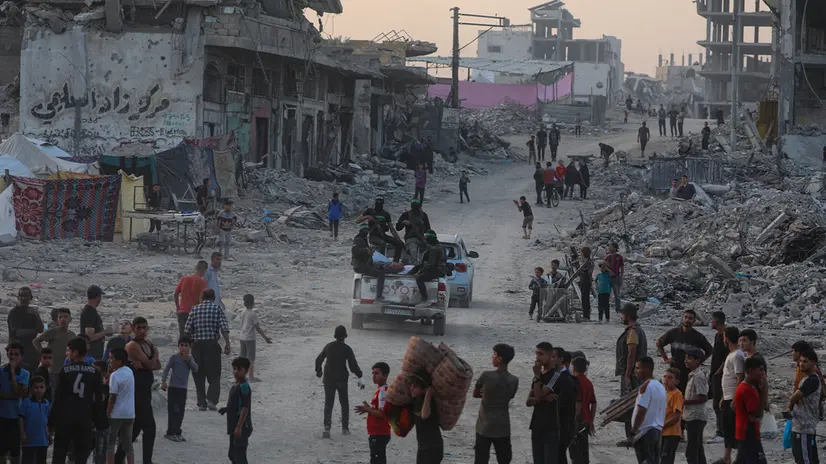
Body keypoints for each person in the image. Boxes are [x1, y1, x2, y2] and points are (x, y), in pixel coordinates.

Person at [50, 337, 104, 464]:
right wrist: (100, 422)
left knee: (59, 454)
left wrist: (51, 421)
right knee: (81, 456)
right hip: (85, 418)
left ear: (75, 352)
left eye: (68, 350)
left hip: (65, 418)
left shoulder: (64, 370)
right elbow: (98, 399)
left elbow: (58, 398)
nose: (66, 353)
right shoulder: (95, 372)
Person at [115, 317, 160, 464]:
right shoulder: (132, 345)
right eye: (138, 328)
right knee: (150, 428)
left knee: (134, 431)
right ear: (133, 329)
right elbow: (151, 364)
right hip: (136, 394)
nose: (142, 331)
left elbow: (157, 365)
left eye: (144, 328)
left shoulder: (148, 344)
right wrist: (154, 355)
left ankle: (117, 459)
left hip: (145, 392)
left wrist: (148, 363)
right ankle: (147, 461)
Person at [184, 289, 231, 411]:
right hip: (212, 346)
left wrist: (187, 347)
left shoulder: (195, 309)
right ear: (214, 298)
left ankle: (201, 402)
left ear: (202, 297)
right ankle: (212, 401)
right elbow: (224, 328)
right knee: (214, 375)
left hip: (197, 346)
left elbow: (187, 330)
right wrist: (227, 343)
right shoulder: (217, 309)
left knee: (198, 374)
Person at [315, 325, 364, 439]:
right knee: (344, 403)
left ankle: (327, 428)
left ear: (335, 336)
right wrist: (360, 376)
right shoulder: (347, 349)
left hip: (328, 379)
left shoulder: (329, 346)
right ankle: (345, 428)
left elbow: (319, 359)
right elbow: (353, 366)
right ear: (345, 336)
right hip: (341, 379)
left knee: (329, 403)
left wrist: (319, 370)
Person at [472, 344, 518, 464]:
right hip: (503, 427)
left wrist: (486, 394)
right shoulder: (514, 380)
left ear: (499, 358)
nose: (492, 357)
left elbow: (475, 394)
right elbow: (510, 396)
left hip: (484, 427)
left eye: (494, 354)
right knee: (504, 459)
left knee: (481, 459)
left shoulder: (486, 375)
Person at [656, 309, 713, 395]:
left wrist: (699, 362)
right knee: (672, 394)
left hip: (688, 372)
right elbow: (659, 343)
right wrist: (665, 358)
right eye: (685, 317)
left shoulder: (698, 336)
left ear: (694, 321)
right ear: (682, 319)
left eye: (690, 318)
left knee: (686, 394)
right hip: (675, 370)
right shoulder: (673, 333)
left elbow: (710, 350)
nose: (687, 320)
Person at [616, 304, 648, 445]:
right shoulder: (637, 330)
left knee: (629, 406)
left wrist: (627, 375)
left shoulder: (633, 332)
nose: (621, 317)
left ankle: (631, 437)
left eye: (622, 314)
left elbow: (631, 354)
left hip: (632, 375)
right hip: (637, 374)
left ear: (627, 316)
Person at [161, 336, 198, 443]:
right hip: (173, 388)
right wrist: (163, 381)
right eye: (182, 345)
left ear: (190, 347)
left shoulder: (190, 359)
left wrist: (188, 360)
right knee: (173, 410)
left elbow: (196, 369)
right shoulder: (174, 357)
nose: (184, 348)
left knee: (180, 411)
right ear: (178, 346)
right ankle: (170, 432)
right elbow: (166, 370)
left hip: (183, 388)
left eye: (186, 346)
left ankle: (177, 432)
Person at [630, 357, 666, 464]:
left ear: (645, 370)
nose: (635, 371)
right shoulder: (660, 386)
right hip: (657, 432)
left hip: (645, 433)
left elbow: (641, 411)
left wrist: (633, 431)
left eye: (638, 368)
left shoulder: (645, 387)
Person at [787, 350, 820, 464]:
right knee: (800, 457)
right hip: (800, 426)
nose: (801, 364)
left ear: (813, 363)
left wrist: (789, 405)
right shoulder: (806, 378)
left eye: (805, 361)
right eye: (800, 361)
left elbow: (794, 397)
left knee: (804, 459)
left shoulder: (812, 380)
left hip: (805, 427)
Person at [354, 362, 391, 464]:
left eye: (377, 373)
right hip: (377, 432)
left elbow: (383, 414)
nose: (374, 376)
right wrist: (369, 408)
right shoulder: (380, 390)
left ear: (385, 376)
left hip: (379, 432)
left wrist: (368, 410)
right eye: (373, 373)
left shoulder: (383, 391)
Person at [219, 357, 253, 464]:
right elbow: (236, 403)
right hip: (233, 425)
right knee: (233, 454)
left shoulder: (244, 386)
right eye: (234, 369)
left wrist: (239, 427)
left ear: (246, 371)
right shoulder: (236, 385)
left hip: (242, 426)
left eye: (239, 369)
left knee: (240, 456)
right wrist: (227, 409)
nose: (236, 372)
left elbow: (245, 407)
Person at [733, 357, 767, 464]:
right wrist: (764, 390)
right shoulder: (747, 390)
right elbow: (757, 413)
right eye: (760, 370)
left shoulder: (748, 387)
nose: (762, 373)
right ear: (750, 370)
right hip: (748, 432)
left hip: (744, 431)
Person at [1, 342, 31, 463]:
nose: (13, 357)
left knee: (15, 452)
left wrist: (13, 372)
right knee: (1, 451)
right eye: (11, 354)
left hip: (16, 416)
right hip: (2, 416)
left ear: (21, 356)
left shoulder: (25, 373)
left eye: (16, 354)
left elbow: (18, 393)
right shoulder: (1, 371)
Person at [720, 326, 745, 464]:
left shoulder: (737, 355)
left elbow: (739, 377)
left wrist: (735, 398)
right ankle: (727, 456)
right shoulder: (732, 354)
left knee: (735, 429)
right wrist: (723, 397)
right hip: (728, 396)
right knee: (728, 428)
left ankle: (740, 457)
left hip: (733, 398)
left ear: (727, 338)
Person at [33, 307, 74, 387]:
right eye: (60, 317)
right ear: (57, 320)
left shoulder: (72, 335)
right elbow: (36, 341)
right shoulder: (53, 331)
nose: (63, 319)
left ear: (70, 319)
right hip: (52, 371)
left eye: (65, 317)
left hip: (66, 370)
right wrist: (43, 354)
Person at [107, 348, 135, 464]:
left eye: (111, 358)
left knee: (110, 444)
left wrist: (108, 412)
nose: (109, 361)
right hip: (129, 413)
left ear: (118, 361)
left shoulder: (115, 375)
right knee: (128, 445)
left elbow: (112, 397)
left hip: (116, 414)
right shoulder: (129, 371)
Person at [409, 369, 442, 464]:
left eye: (415, 387)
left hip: (433, 448)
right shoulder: (415, 400)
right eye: (411, 385)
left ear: (424, 389)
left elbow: (424, 415)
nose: (411, 388)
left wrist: (428, 394)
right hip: (423, 446)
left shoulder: (429, 402)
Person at [238, 294, 272, 382]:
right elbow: (258, 328)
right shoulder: (253, 314)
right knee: (251, 359)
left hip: (242, 337)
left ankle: (241, 376)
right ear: (253, 303)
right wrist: (265, 338)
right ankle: (251, 377)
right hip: (250, 338)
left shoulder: (243, 311)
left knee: (243, 358)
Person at [683, 348, 709, 464]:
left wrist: (685, 402)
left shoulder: (698, 376)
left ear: (697, 361)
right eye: (686, 358)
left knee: (691, 451)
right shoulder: (692, 375)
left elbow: (703, 397)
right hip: (691, 415)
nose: (686, 361)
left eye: (689, 358)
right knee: (698, 449)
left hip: (696, 417)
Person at [8, 287, 44, 369]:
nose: (24, 298)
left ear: (31, 298)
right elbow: (19, 333)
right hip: (17, 352)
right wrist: (35, 330)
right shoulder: (14, 313)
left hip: (32, 352)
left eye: (26, 296)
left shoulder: (33, 312)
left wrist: (36, 315)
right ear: (18, 297)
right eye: (21, 296)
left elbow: (41, 329)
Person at [569, 357, 595, 464]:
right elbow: (594, 403)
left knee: (575, 454)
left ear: (574, 367)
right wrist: (591, 421)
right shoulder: (589, 383)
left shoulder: (573, 382)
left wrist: (573, 421)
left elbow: (578, 403)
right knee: (584, 452)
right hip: (586, 421)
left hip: (576, 422)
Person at [351, 225, 388, 302]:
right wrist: (365, 250)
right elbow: (354, 250)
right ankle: (379, 296)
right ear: (361, 230)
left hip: (366, 264)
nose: (367, 232)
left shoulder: (363, 239)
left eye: (367, 230)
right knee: (381, 274)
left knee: (381, 267)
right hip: (361, 266)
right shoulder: (358, 239)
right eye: (365, 230)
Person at [19, 374, 49, 464]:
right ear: (31, 389)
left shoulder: (46, 403)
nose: (39, 390)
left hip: (42, 440)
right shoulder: (26, 402)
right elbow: (21, 418)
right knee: (27, 460)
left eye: (41, 387)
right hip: (29, 439)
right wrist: (22, 433)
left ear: (45, 388)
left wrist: (48, 434)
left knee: (41, 461)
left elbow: (46, 421)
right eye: (36, 387)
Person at [173, 261, 208, 338]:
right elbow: (201, 299)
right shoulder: (202, 283)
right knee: (194, 338)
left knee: (183, 338)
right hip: (195, 314)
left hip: (182, 312)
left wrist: (178, 307)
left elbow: (176, 294)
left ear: (196, 268)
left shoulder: (184, 279)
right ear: (205, 270)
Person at [709, 311, 728, 444]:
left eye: (713, 320)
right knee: (716, 403)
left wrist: (718, 372)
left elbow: (726, 357)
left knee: (719, 403)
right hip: (715, 374)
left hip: (721, 376)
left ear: (717, 321)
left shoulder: (725, 336)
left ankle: (722, 432)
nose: (711, 322)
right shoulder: (717, 336)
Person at [414, 231, 448, 307]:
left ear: (430, 239)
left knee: (419, 279)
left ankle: (425, 299)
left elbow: (430, 264)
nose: (426, 241)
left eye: (427, 239)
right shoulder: (441, 247)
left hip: (436, 271)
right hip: (440, 270)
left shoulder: (434, 249)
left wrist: (420, 271)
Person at [660, 368, 684, 464]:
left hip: (671, 433)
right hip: (663, 432)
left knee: (666, 460)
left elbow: (676, 417)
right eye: (665, 377)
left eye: (670, 378)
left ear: (676, 382)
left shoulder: (676, 394)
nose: (666, 379)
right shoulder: (665, 393)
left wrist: (662, 425)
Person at [81, 285, 111, 360]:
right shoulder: (89, 312)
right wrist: (106, 331)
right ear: (98, 297)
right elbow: (90, 337)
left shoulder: (91, 311)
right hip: (92, 354)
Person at [604, 243, 624, 313]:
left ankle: (618, 308)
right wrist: (609, 271)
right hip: (608, 277)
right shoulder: (607, 257)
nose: (610, 248)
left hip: (616, 277)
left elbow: (622, 266)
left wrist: (621, 276)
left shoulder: (619, 257)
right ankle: (605, 308)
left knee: (617, 294)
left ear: (615, 248)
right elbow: (603, 266)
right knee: (606, 293)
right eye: (609, 247)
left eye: (611, 247)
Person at [577, 247, 594, 321]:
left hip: (586, 281)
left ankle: (586, 316)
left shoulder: (588, 262)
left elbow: (589, 272)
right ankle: (586, 315)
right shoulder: (586, 261)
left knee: (585, 299)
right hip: (584, 281)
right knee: (584, 298)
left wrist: (589, 279)